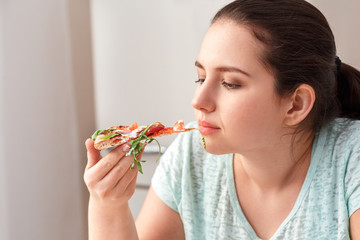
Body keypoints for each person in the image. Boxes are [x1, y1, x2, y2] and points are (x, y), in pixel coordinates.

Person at [84, 0, 360, 239]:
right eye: (201, 78)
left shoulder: (351, 158)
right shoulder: (190, 156)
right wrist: (108, 205)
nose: (198, 101)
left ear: (296, 105)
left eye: (230, 83)